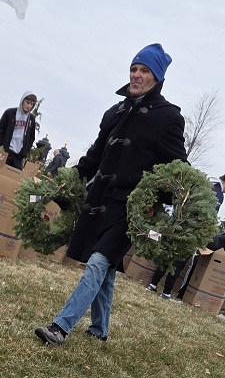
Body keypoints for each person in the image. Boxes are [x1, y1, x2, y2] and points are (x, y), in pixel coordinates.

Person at [35, 44, 186, 346]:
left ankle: (60, 327)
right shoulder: (114, 112)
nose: (136, 75)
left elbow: (177, 167)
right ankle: (99, 330)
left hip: (131, 210)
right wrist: (66, 182)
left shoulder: (168, 117)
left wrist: (176, 199)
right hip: (99, 202)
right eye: (134, 68)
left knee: (98, 261)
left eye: (144, 70)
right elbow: (94, 158)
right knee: (105, 266)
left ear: (157, 77)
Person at [147, 169, 225, 298]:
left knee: (167, 256)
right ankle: (166, 293)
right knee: (179, 262)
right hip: (191, 230)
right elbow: (209, 216)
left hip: (177, 222)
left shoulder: (205, 182)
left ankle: (152, 285)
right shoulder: (217, 193)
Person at [0, 92, 38, 170]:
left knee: (14, 180)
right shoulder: (10, 113)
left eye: (31, 104)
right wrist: (1, 146)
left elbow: (31, 137)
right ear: (22, 101)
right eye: (27, 102)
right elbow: (0, 130)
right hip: (5, 152)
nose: (29, 106)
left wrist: (25, 150)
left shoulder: (31, 119)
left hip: (18, 156)